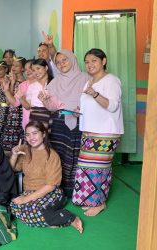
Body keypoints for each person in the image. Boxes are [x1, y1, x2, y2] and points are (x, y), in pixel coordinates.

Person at [72, 48, 124, 216]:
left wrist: (94, 94)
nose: (90, 64)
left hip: (106, 133)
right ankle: (91, 200)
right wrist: (78, 110)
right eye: (87, 62)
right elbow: (90, 106)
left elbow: (112, 105)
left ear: (104, 61)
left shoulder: (111, 81)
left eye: (94, 60)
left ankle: (99, 203)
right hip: (90, 131)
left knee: (99, 168)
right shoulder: (89, 82)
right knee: (88, 167)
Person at [9, 121, 83, 233]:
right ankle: (52, 220)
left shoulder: (52, 155)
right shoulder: (24, 150)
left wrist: (25, 199)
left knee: (34, 210)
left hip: (51, 193)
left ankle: (70, 217)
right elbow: (12, 170)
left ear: (43, 134)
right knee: (13, 206)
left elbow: (50, 186)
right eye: (27, 135)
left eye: (35, 133)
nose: (31, 138)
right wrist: (14, 155)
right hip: (30, 192)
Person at [41, 50, 90, 196]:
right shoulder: (55, 82)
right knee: (59, 154)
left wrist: (81, 108)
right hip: (59, 123)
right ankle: (59, 188)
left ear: (73, 60)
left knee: (78, 154)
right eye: (58, 62)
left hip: (80, 121)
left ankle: (78, 189)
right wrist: (45, 100)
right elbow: (52, 107)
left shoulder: (86, 78)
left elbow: (92, 100)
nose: (61, 64)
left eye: (65, 60)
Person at [0, 57, 26, 151]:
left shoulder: (26, 83)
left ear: (23, 69)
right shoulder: (9, 81)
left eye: (17, 65)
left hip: (22, 115)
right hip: (11, 116)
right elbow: (8, 102)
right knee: (8, 145)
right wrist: (12, 83)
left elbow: (21, 102)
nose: (14, 67)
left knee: (20, 143)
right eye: (13, 65)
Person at [27, 58, 53, 130]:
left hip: (49, 118)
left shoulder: (54, 83)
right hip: (34, 118)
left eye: (38, 68)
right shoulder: (32, 86)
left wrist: (46, 101)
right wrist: (20, 97)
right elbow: (28, 106)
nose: (36, 72)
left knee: (47, 139)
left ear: (46, 68)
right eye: (33, 70)